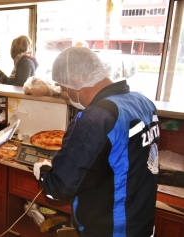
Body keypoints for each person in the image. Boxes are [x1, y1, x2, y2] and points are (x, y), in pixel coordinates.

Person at [33, 46, 160, 237]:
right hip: (141, 222)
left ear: (75, 81)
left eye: (65, 88)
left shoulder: (96, 117)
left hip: (110, 229)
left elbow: (61, 187)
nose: (66, 94)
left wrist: (43, 172)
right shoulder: (142, 101)